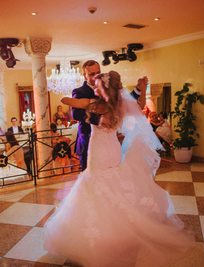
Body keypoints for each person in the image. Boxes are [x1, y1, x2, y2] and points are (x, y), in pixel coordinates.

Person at [44, 71, 193, 266]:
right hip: (113, 148)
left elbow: (66, 100)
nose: (95, 87)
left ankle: (103, 229)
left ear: (104, 88)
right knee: (112, 180)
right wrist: (141, 88)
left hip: (98, 150)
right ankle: (120, 225)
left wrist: (84, 101)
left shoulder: (95, 104)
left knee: (95, 180)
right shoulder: (121, 105)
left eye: (97, 85)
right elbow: (138, 106)